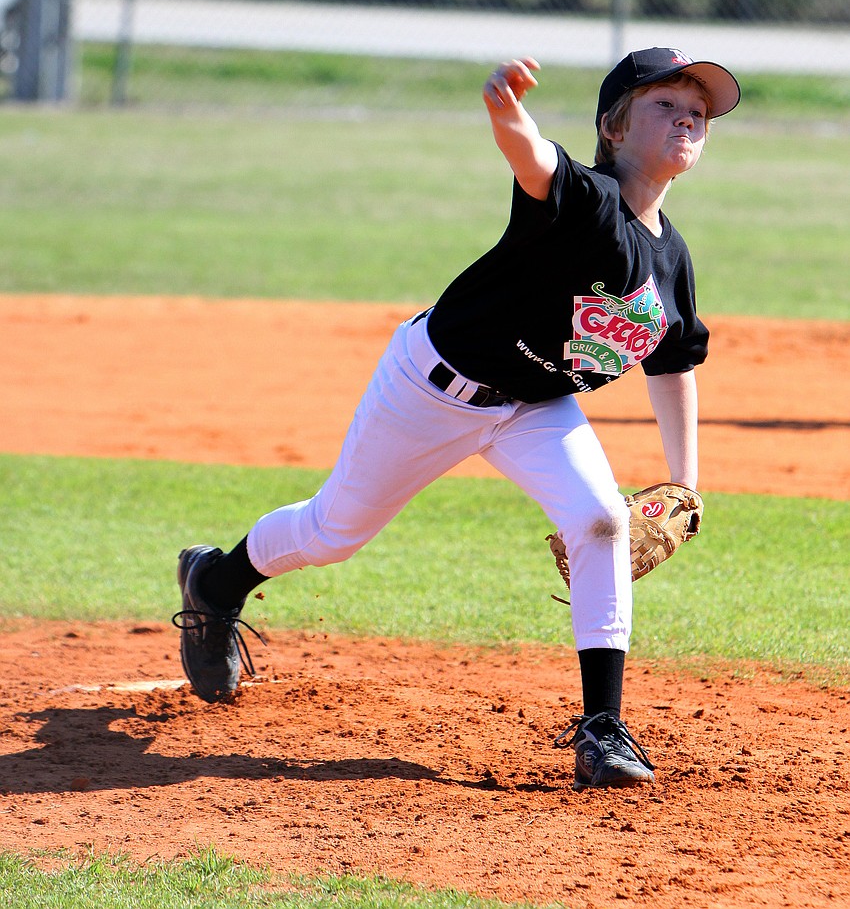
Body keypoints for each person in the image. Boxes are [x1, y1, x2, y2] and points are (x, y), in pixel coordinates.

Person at [173, 46, 740, 792]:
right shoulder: (586, 201)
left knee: (601, 519)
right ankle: (216, 583)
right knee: (332, 532)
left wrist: (686, 484)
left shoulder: (673, 259)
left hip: (534, 407)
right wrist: (506, 107)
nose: (688, 115)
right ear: (613, 124)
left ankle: (602, 729)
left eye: (698, 109)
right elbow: (533, 159)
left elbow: (673, 361)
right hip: (432, 387)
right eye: (665, 102)